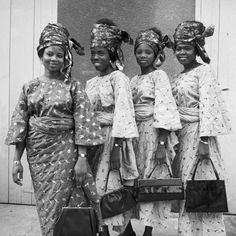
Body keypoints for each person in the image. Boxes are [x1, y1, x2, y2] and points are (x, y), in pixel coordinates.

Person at [5, 23, 106, 236]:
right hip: (39, 155)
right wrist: (16, 161)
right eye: (49, 53)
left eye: (59, 55)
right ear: (41, 54)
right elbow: (20, 125)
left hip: (67, 151)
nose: (54, 59)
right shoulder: (29, 87)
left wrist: (81, 159)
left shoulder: (73, 86)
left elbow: (83, 122)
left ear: (65, 58)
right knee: (47, 202)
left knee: (74, 197)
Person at [171, 21, 232, 236]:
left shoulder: (203, 72)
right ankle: (187, 232)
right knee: (187, 187)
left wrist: (205, 140)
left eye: (186, 48)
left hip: (199, 136)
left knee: (202, 185)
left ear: (196, 49)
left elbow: (209, 104)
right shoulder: (178, 76)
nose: (181, 52)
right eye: (178, 48)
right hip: (183, 137)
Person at [85, 18, 139, 236]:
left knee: (112, 189)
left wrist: (117, 146)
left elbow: (124, 111)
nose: (96, 57)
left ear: (112, 54)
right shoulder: (91, 82)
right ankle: (105, 230)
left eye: (101, 53)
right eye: (93, 52)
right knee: (96, 190)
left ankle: (122, 232)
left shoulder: (119, 78)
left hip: (112, 140)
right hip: (94, 142)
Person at [127, 27, 182, 236]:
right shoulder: (133, 80)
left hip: (154, 132)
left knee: (152, 179)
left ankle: (149, 229)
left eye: (148, 52)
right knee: (135, 177)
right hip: (136, 134)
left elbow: (165, 108)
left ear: (157, 54)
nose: (143, 56)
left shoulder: (159, 77)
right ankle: (131, 227)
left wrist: (161, 144)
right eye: (139, 51)